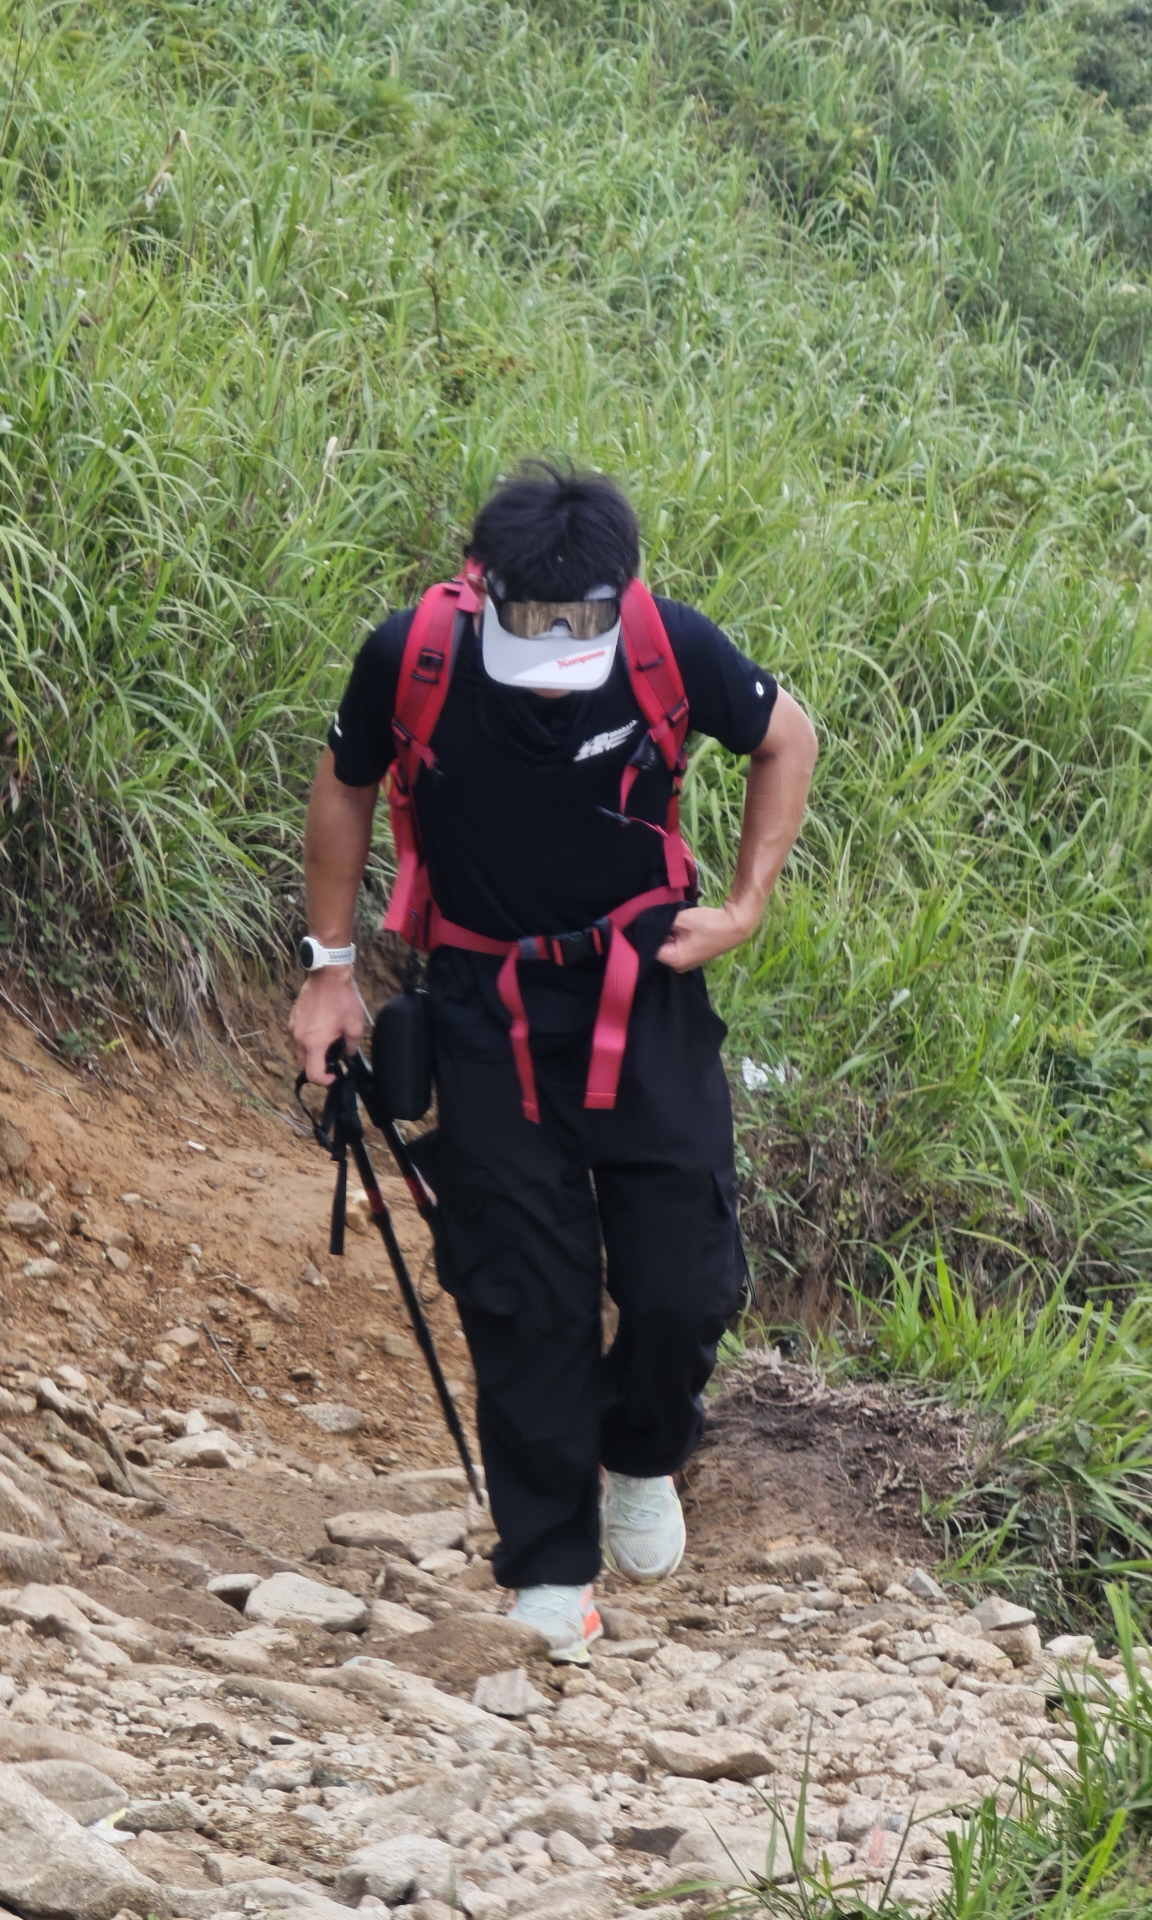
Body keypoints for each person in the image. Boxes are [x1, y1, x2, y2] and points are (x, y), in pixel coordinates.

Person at [290, 466, 817, 1663]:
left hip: (646, 986)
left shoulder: (668, 648)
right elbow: (346, 783)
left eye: (575, 628)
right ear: (483, 584)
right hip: (486, 1007)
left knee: (686, 1283)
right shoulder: (415, 654)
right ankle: (551, 1570)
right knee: (522, 1290)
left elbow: (786, 737)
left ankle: (640, 1453)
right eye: (531, 628)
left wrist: (744, 906)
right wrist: (329, 968)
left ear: (621, 595)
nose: (551, 656)